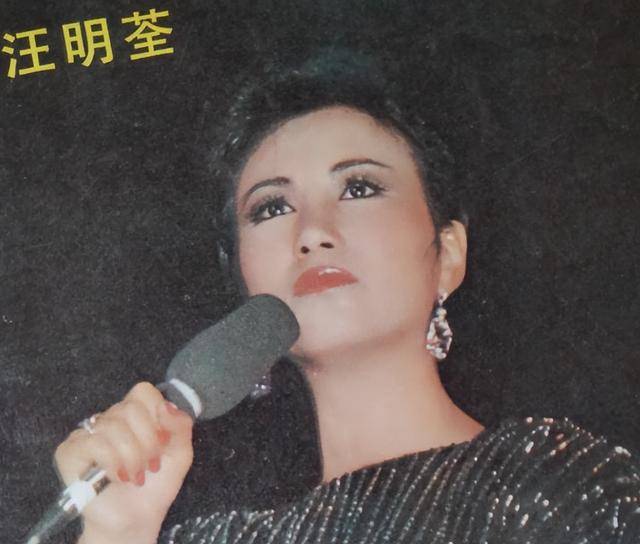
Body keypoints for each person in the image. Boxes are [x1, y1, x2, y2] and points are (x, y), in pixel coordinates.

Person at [54, 51, 640, 544]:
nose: (312, 232)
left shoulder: (556, 480)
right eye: (272, 207)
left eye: (359, 188)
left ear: (448, 254)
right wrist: (118, 532)